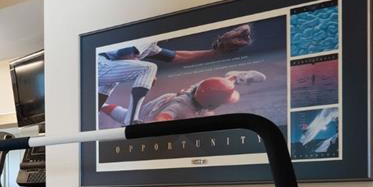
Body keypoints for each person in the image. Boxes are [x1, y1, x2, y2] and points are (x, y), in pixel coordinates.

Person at [97, 24, 253, 125]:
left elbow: (175, 56)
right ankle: (131, 121)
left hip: (106, 68)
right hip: (100, 64)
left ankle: (122, 116)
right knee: (148, 69)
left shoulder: (151, 44)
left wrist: (213, 53)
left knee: (97, 103)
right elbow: (125, 53)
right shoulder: (145, 37)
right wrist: (145, 72)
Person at [100, 70, 266, 123]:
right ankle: (100, 105)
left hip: (190, 99)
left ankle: (236, 76)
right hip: (149, 114)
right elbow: (162, 117)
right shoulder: (180, 108)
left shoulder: (203, 89)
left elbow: (220, 86)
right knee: (127, 118)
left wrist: (232, 79)